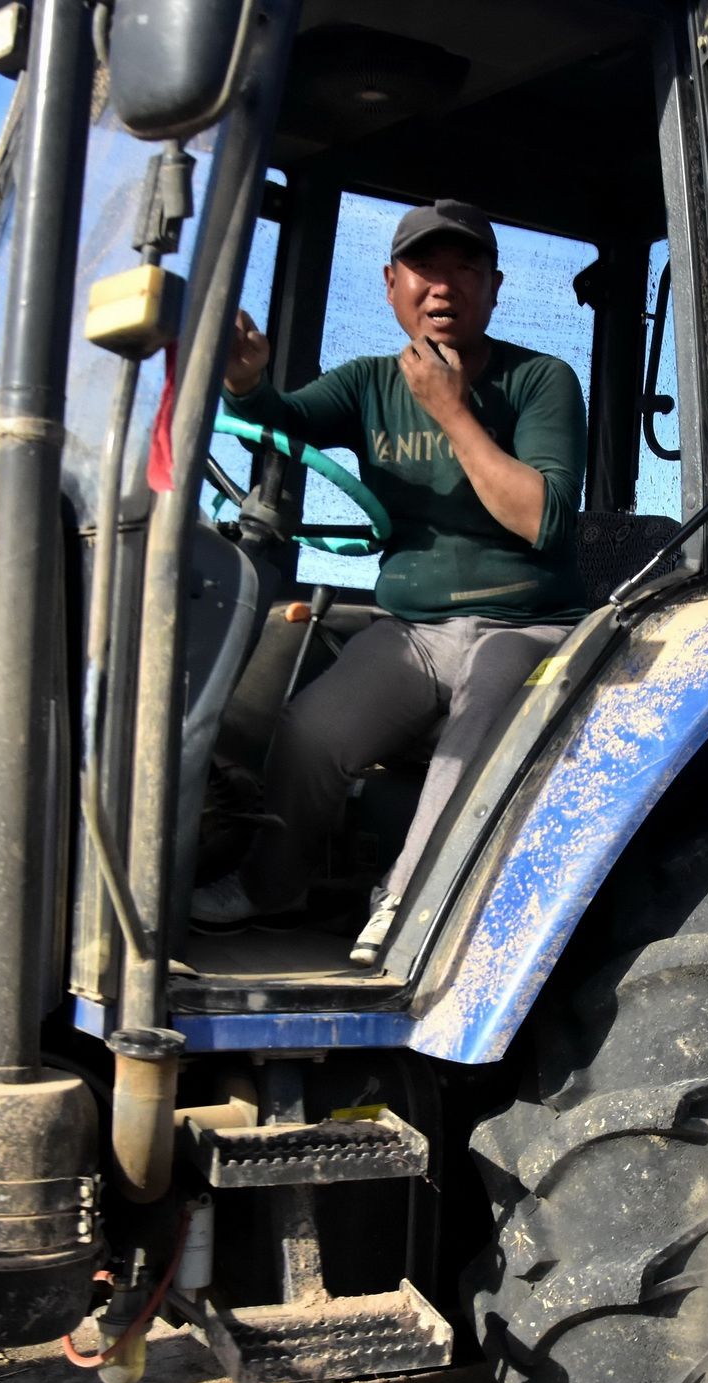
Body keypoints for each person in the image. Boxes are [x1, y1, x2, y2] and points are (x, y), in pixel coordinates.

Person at [193, 198, 587, 964]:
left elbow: (541, 519)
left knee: (471, 740)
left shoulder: (541, 381)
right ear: (391, 284)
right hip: (411, 630)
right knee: (309, 731)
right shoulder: (369, 382)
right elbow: (287, 418)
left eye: (463, 268)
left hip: (530, 624)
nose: (443, 287)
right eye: (425, 269)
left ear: (494, 286)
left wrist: (452, 412)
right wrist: (246, 384)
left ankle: (409, 908)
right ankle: (272, 889)